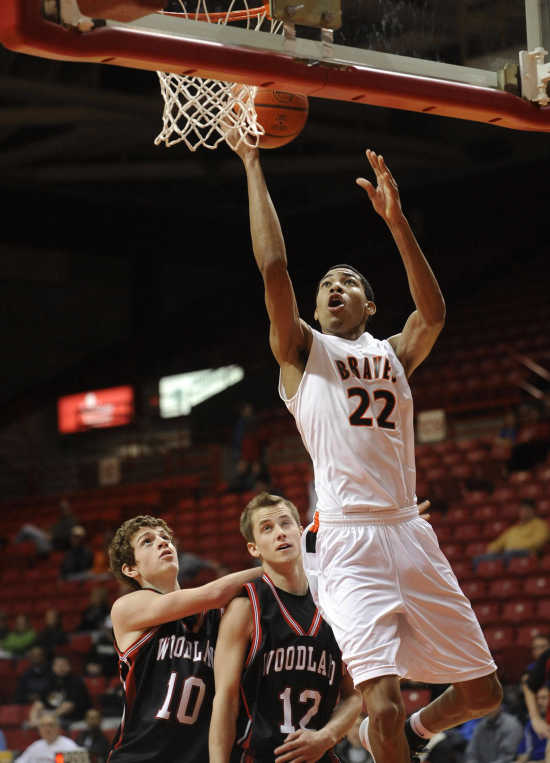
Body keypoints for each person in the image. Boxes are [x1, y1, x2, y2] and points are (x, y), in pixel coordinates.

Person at [231, 140, 502, 763]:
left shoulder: (393, 353)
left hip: (408, 528)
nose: (333, 289)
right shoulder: (304, 354)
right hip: (348, 540)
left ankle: (415, 737)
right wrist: (251, 163)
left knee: (484, 693)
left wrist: (397, 222)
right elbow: (274, 269)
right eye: (326, 283)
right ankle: (395, 732)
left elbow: (432, 313)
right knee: (379, 703)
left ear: (369, 306)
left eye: (348, 283)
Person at [209, 491, 361, 762]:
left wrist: (326, 736)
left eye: (286, 523)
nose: (280, 533)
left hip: (320, 754)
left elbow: (353, 697)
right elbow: (225, 701)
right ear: (254, 548)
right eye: (267, 528)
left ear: (300, 532)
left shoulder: (333, 602)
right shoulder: (245, 607)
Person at [106, 513, 262, 762]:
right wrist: (274, 566)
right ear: (130, 568)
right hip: (139, 756)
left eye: (166, 537)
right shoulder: (127, 608)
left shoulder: (214, 617)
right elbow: (216, 592)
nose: (162, 542)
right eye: (147, 541)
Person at [474, 500, 550, 569]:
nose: (524, 512)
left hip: (527, 553)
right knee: (478, 559)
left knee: (509, 553)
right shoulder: (514, 529)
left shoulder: (540, 525)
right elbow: (499, 542)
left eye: (527, 509)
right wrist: (492, 549)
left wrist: (516, 547)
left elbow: (539, 541)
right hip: (508, 553)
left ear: (533, 511)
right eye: (522, 510)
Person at [29, 654, 91, 727]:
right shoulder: (49, 681)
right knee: (28, 726)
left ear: (69, 667)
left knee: (50, 724)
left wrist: (47, 718)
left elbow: (68, 706)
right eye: (57, 665)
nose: (60, 668)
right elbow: (39, 703)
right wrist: (33, 720)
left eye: (63, 665)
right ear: (53, 667)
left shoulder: (76, 681)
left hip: (73, 718)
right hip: (53, 717)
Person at [16, 711, 81, 763]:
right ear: (39, 730)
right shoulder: (35, 746)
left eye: (50, 725)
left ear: (58, 728)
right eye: (43, 725)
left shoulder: (69, 746)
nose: (47, 729)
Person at [516, 686, 549, 763]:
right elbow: (523, 754)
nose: (539, 702)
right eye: (537, 698)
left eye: (544, 698)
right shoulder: (531, 725)